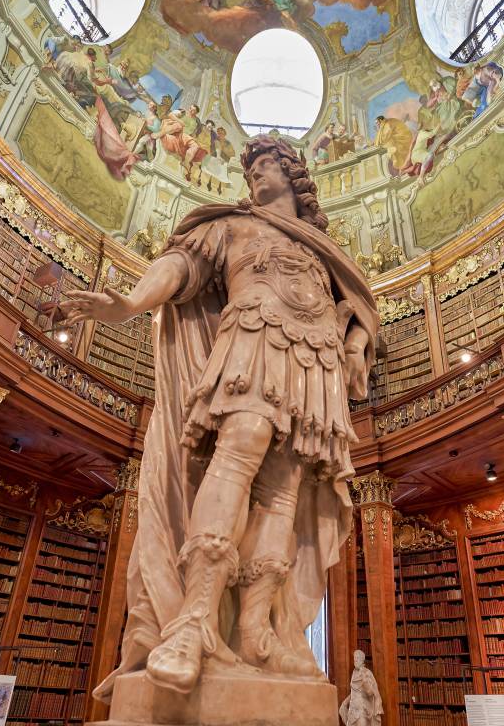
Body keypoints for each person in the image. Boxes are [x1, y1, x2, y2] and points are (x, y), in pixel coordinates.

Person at [74, 136, 377, 700]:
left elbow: (361, 305)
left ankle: (258, 631)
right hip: (253, 338)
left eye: (264, 166)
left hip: (313, 360)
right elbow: (181, 265)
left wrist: (356, 345)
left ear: (292, 174)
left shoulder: (321, 246)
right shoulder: (229, 224)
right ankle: (194, 620)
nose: (255, 177)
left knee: (285, 487)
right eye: (251, 169)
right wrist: (131, 303)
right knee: (239, 449)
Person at [338, 650, 381, 726]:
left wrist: (365, 682)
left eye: (357, 658)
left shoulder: (367, 673)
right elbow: (355, 692)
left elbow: (370, 693)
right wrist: (345, 702)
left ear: (362, 660)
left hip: (362, 708)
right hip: (353, 708)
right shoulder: (354, 673)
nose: (355, 660)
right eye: (354, 658)